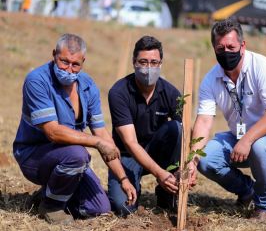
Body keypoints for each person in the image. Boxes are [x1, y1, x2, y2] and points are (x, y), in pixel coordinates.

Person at [13, 34, 137, 224]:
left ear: (83, 62)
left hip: (67, 157)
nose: (69, 69)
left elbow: (102, 134)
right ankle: (51, 206)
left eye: (75, 64)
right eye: (64, 62)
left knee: (99, 208)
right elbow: (53, 132)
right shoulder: (37, 80)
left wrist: (123, 179)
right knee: (78, 155)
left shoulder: (88, 86)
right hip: (34, 155)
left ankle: (49, 193)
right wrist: (97, 142)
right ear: (54, 55)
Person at [189, 18, 266, 222]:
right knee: (206, 159)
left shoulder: (261, 66)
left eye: (231, 46)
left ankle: (264, 206)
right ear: (214, 48)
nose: (226, 52)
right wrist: (192, 160)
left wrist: (247, 140)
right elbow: (203, 121)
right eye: (220, 48)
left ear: (243, 45)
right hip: (239, 137)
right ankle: (247, 190)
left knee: (259, 146)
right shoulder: (210, 80)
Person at [108, 35, 182, 216]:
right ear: (134, 62)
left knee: (176, 129)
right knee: (123, 207)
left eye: (154, 62)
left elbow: (187, 134)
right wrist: (159, 173)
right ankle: (136, 183)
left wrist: (186, 168)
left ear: (160, 64)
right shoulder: (119, 92)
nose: (149, 68)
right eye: (143, 62)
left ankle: (166, 194)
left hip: (156, 152)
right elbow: (131, 143)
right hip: (127, 155)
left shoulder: (171, 93)